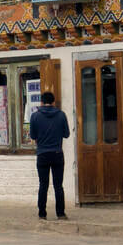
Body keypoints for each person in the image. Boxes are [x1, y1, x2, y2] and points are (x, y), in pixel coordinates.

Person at [28, 91, 70, 220]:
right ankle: (60, 213)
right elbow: (66, 134)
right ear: (53, 102)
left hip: (42, 154)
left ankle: (42, 213)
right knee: (58, 185)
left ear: (41, 102)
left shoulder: (35, 116)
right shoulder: (61, 115)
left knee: (43, 185)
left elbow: (33, 136)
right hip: (57, 153)